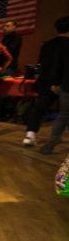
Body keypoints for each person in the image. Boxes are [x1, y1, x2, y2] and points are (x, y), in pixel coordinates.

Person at [29, 17, 69, 149]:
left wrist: (53, 82)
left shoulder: (47, 45)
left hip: (48, 81)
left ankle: (31, 135)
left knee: (41, 109)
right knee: (64, 112)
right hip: (64, 82)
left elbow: (45, 64)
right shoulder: (66, 44)